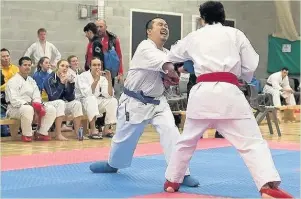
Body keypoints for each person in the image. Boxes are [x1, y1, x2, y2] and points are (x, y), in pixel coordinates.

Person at [162, 2, 293, 198]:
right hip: (228, 93)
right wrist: (243, 77)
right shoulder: (235, 34)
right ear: (223, 17)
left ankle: (172, 181)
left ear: (202, 19)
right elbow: (250, 63)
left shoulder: (194, 36)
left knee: (186, 141)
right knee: (252, 142)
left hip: (202, 94)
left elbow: (173, 54)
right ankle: (267, 186)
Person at [88, 17, 199, 188]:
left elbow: (172, 74)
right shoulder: (145, 47)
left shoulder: (166, 52)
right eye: (160, 24)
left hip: (158, 102)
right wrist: (178, 69)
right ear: (149, 31)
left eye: (166, 25)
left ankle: (180, 173)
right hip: (135, 101)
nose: (165, 27)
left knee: (172, 133)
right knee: (123, 140)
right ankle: (113, 164)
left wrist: (184, 69)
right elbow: (169, 67)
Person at [5, 57, 56, 142]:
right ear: (19, 66)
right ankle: (27, 134)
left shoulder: (31, 80)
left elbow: (36, 96)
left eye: (29, 65)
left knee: (51, 109)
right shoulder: (13, 81)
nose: (27, 67)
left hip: (32, 106)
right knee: (27, 109)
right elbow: (14, 100)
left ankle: (41, 133)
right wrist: (32, 106)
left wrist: (37, 107)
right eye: (25, 65)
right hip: (15, 109)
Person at [75, 57, 117, 139]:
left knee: (113, 101)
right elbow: (87, 93)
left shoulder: (103, 78)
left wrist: (109, 80)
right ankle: (93, 129)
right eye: (94, 65)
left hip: (95, 102)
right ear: (90, 66)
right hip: (82, 103)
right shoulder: (82, 76)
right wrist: (96, 80)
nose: (97, 67)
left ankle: (106, 129)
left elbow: (109, 95)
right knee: (91, 98)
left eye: (99, 65)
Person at [44, 59, 84, 140]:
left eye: (67, 67)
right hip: (49, 105)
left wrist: (70, 84)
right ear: (57, 67)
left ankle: (77, 133)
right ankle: (58, 134)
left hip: (61, 104)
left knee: (77, 104)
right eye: (62, 66)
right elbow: (53, 97)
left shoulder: (67, 78)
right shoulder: (49, 78)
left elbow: (70, 98)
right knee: (60, 102)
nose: (65, 68)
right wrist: (61, 84)